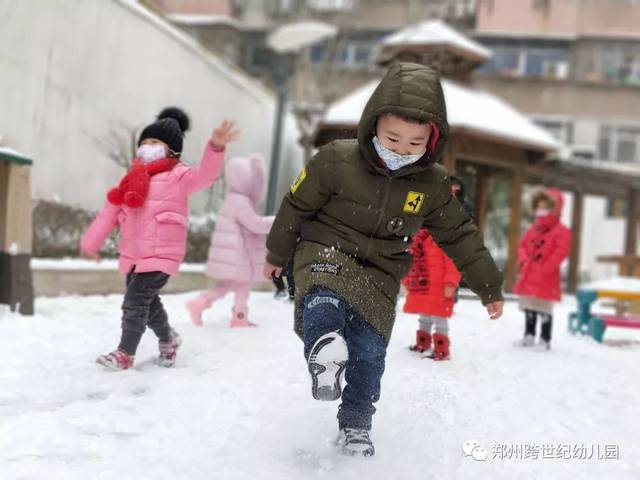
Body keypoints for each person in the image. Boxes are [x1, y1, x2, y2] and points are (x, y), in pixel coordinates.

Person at [263, 63, 504, 457]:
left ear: (432, 142)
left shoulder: (433, 185)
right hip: (327, 248)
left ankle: (356, 422)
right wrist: (277, 253)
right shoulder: (336, 159)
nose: (400, 150)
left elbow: (460, 235)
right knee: (325, 297)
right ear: (372, 125)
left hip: (381, 272)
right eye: (392, 138)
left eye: (414, 143)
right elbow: (296, 205)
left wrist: (488, 284)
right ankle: (324, 351)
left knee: (370, 352)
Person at [80, 108, 238, 370]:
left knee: (135, 301)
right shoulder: (130, 180)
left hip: (162, 254)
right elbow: (109, 213)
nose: (147, 147)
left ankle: (124, 354)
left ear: (172, 151)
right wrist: (90, 243)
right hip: (135, 255)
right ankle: (169, 339)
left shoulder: (179, 176)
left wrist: (215, 148)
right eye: (144, 142)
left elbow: (206, 175)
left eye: (155, 143)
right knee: (148, 303)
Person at [186, 154, 274, 327]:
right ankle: (203, 304)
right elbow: (254, 224)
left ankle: (237, 317)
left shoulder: (235, 199)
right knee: (232, 286)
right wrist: (276, 222)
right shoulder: (240, 201)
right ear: (245, 180)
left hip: (238, 254)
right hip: (238, 255)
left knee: (238, 285)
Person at [513, 188, 571, 350]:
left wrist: (546, 267)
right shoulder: (534, 228)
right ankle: (529, 335)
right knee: (529, 306)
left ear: (555, 208)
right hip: (530, 272)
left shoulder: (562, 231)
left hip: (547, 277)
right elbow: (523, 245)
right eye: (539, 206)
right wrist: (524, 261)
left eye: (546, 206)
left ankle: (545, 339)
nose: (541, 210)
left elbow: (561, 251)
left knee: (544, 308)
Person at [403, 227, 461, 361]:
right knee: (424, 314)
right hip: (423, 285)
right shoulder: (417, 239)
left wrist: (451, 282)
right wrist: (407, 280)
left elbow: (452, 261)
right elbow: (410, 261)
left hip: (439, 287)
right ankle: (423, 342)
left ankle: (442, 349)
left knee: (439, 317)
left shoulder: (444, 237)